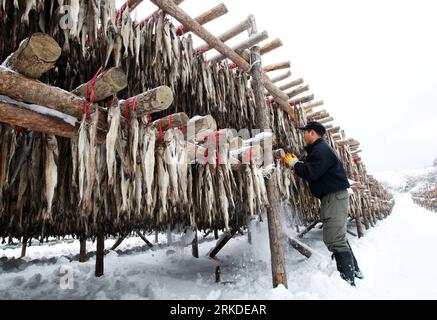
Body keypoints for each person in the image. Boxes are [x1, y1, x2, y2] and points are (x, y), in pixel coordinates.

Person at [282, 121, 363, 286]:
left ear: (312, 133)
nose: (303, 135)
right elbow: (314, 170)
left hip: (334, 197)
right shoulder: (319, 150)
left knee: (334, 239)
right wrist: (298, 166)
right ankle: (355, 271)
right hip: (332, 197)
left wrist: (295, 164)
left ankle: (348, 283)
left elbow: (311, 172)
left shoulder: (321, 150)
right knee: (337, 237)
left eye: (305, 132)